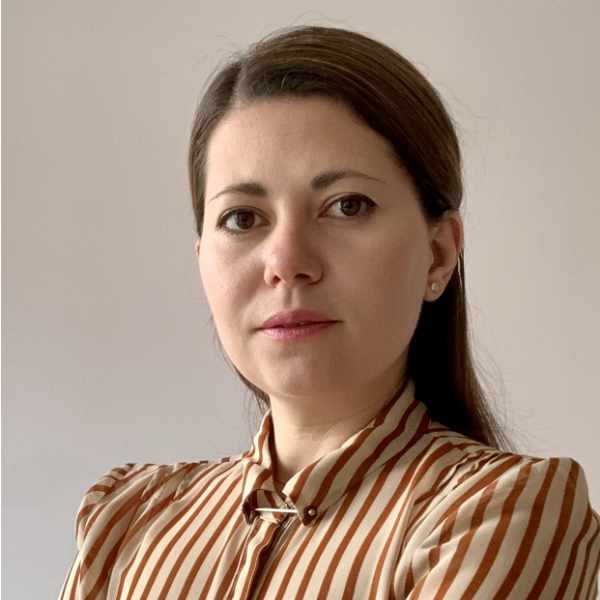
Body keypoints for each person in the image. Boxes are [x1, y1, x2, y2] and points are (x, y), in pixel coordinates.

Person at [59, 25, 600, 599]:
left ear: (439, 253)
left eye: (347, 206)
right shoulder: (127, 520)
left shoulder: (503, 511)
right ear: (202, 261)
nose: (287, 262)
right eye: (242, 218)